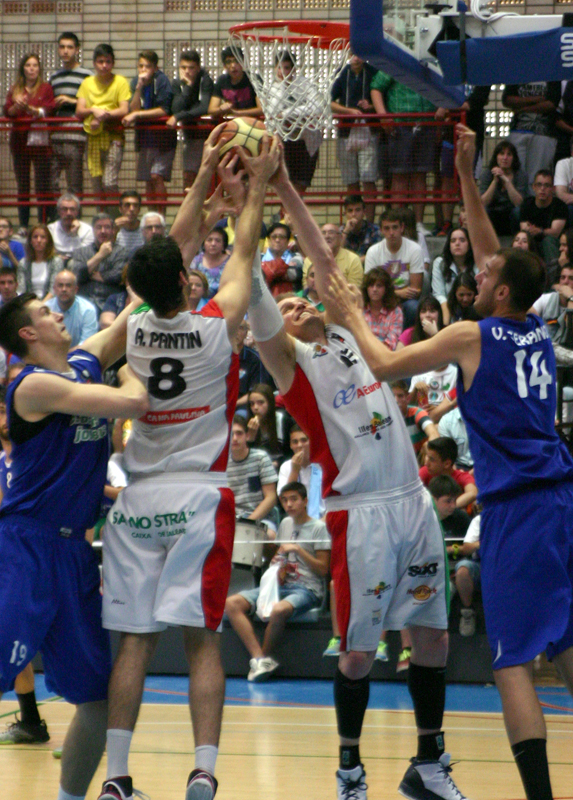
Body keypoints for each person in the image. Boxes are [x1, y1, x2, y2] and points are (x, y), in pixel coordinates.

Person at [325, 122, 573, 800]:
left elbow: (383, 363)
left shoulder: (471, 335)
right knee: (566, 645)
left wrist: (348, 308)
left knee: (512, 663)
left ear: (500, 293)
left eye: (485, 275)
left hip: (518, 507)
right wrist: (465, 173)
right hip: (560, 499)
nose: (477, 272)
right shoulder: (534, 326)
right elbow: (498, 254)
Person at [246, 148, 469, 800]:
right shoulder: (293, 371)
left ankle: (428, 764)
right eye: (285, 310)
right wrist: (250, 205)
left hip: (412, 501)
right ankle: (349, 771)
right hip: (362, 512)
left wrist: (284, 184)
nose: (293, 308)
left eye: (298, 301)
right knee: (357, 654)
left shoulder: (348, 331)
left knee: (431, 640)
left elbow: (321, 256)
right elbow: (257, 306)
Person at [98, 129, 279, 800]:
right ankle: (202, 769)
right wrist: (252, 188)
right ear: (183, 279)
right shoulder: (214, 324)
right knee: (202, 642)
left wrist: (200, 176)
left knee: (134, 645)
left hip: (138, 497)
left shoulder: (135, 326)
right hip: (199, 498)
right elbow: (244, 252)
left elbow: (167, 252)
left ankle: (117, 778)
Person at [0, 288, 148, 800]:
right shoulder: (32, 384)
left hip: (74, 554)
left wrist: (166, 263)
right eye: (46, 312)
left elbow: (129, 317)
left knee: (97, 699)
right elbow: (134, 402)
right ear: (28, 333)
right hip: (26, 546)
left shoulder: (82, 365)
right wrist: (129, 371)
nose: (58, 314)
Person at [225, 481, 330, 682]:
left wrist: (298, 550)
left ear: (305, 501)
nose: (288, 504)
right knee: (231, 604)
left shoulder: (319, 528)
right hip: (282, 585)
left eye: (294, 499)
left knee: (279, 610)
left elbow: (323, 569)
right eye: (284, 500)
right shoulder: (285, 524)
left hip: (308, 589)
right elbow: (281, 557)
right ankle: (260, 659)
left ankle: (262, 659)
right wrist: (277, 564)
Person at [0, 385, 51, 746]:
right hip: (11, 557)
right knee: (15, 644)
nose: (5, 418)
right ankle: (31, 720)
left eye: (8, 410)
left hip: (35, 556)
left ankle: (93, 724)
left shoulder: (37, 455)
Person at [370, 71, 436, 229]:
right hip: (400, 124)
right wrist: (383, 115)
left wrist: (441, 107)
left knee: (420, 175)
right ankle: (397, 223)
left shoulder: (431, 63)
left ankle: (418, 224)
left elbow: (441, 85)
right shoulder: (395, 62)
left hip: (426, 123)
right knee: (399, 175)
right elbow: (376, 88)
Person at [4, 52, 55, 234]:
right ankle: (24, 225)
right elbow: (7, 111)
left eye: (35, 65)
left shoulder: (45, 88)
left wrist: (34, 110)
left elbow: (50, 108)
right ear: (22, 69)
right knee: (23, 185)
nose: (31, 69)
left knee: (42, 184)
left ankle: (42, 223)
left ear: (39, 69)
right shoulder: (15, 88)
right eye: (28, 65)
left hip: (40, 142)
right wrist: (16, 107)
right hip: (19, 141)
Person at [76, 43, 130, 204]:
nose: (104, 65)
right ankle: (101, 217)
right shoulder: (87, 83)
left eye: (108, 62)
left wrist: (101, 116)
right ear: (94, 63)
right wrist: (93, 110)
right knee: (96, 184)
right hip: (92, 138)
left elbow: (124, 109)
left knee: (109, 182)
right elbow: (79, 110)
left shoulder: (120, 82)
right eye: (100, 61)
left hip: (114, 137)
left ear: (113, 63)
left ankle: (116, 215)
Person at [123, 50, 177, 212]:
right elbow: (133, 108)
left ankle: (161, 216)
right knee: (148, 179)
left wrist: (138, 115)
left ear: (155, 68)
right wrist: (138, 88)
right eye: (141, 66)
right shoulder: (135, 82)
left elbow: (164, 109)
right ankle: (151, 216)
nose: (143, 70)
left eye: (147, 66)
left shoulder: (161, 81)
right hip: (144, 139)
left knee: (156, 176)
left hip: (163, 139)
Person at [330, 55, 378, 221]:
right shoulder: (341, 73)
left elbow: (384, 101)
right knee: (351, 180)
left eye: (359, 54)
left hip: (370, 131)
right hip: (345, 132)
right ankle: (354, 221)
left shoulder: (373, 72)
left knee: (368, 178)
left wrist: (370, 106)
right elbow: (329, 102)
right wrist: (348, 111)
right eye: (353, 54)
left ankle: (369, 222)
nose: (356, 59)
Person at [49, 32, 92, 198]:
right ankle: (54, 214)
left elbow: (94, 103)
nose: (65, 51)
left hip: (76, 134)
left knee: (74, 183)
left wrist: (72, 101)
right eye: (62, 47)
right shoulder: (54, 76)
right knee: (52, 183)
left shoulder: (87, 75)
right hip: (55, 136)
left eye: (69, 47)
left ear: (77, 49)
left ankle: (75, 214)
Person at [365, 208, 424, 328]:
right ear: (381, 230)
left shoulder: (415, 249)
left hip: (406, 301)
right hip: (381, 300)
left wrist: (396, 295)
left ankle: (405, 337)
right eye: (387, 228)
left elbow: (416, 290)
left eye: (395, 227)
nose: (391, 232)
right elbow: (370, 288)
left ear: (402, 228)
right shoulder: (373, 252)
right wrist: (399, 293)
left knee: (414, 307)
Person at [167, 50, 214, 190]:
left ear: (198, 68)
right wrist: (187, 87)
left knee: (207, 176)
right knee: (189, 176)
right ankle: (189, 204)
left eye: (191, 68)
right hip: (190, 135)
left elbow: (205, 107)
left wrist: (179, 117)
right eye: (183, 67)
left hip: (207, 135)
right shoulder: (177, 83)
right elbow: (176, 108)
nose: (187, 71)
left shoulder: (205, 80)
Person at [502, 81, 561, 188]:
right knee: (516, 175)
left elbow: (552, 104)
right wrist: (536, 99)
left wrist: (523, 108)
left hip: (544, 133)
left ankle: (533, 198)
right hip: (518, 131)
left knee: (538, 177)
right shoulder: (516, 72)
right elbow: (507, 99)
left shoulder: (552, 74)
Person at [69, 213, 129, 315]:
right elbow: (77, 276)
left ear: (113, 230)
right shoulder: (81, 252)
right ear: (93, 230)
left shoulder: (121, 252)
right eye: (99, 227)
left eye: (107, 227)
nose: (103, 231)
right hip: (84, 303)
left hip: (111, 305)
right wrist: (100, 255)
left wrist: (92, 274)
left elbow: (118, 276)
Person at [228, 415, 279, 532]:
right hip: (232, 520)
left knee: (269, 535)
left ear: (247, 435)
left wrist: (246, 523)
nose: (235, 438)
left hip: (261, 518)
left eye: (239, 433)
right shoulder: (223, 464)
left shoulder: (261, 458)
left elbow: (271, 497)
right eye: (231, 434)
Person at [519, 169, 568, 265]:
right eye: (539, 185)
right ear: (533, 187)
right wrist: (531, 231)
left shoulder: (560, 206)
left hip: (553, 244)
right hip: (533, 241)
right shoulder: (527, 204)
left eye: (547, 185)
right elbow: (524, 229)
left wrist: (540, 231)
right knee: (524, 239)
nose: (542, 189)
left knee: (548, 240)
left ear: (553, 189)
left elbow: (555, 232)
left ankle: (553, 271)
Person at [479, 139, 527, 236]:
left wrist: (507, 181)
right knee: (484, 211)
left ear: (514, 158)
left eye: (509, 154)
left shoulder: (520, 175)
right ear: (496, 157)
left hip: (511, 214)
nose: (505, 158)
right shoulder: (487, 174)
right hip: (493, 212)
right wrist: (494, 181)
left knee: (518, 211)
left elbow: (519, 203)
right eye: (501, 154)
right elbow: (483, 202)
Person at [276, 425, 324, 519]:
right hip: (296, 519)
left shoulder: (323, 465)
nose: (299, 445)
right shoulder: (286, 467)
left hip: (323, 519)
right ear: (291, 445)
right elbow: (285, 499)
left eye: (304, 440)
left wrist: (319, 524)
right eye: (295, 442)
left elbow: (332, 504)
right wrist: (294, 470)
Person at [431, 228, 477, 325]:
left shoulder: (477, 263)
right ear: (449, 245)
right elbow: (439, 294)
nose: (457, 244)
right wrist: (446, 321)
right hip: (447, 308)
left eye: (462, 240)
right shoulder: (440, 263)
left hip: (473, 307)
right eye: (453, 241)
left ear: (469, 244)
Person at [418, 437, 477, 509]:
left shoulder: (461, 477)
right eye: (427, 457)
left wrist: (446, 507)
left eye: (432, 459)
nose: (426, 463)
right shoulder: (425, 471)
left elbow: (473, 493)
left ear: (447, 464)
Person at [46, 269, 99, 346]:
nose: (64, 289)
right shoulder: (46, 309)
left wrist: (67, 353)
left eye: (68, 285)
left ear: (76, 289)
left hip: (78, 353)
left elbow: (87, 344)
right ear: (54, 289)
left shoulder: (87, 310)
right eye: (60, 285)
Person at [208, 46, 262, 121]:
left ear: (242, 63)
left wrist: (237, 113)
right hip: (232, 124)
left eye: (236, 61)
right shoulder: (222, 81)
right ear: (224, 66)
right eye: (228, 62)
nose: (233, 65)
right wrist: (221, 108)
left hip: (252, 122)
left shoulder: (254, 79)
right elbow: (211, 110)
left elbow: (262, 109)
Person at [303, 223, 363, 290]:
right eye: (323, 233)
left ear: (340, 238)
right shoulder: (310, 259)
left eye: (331, 232)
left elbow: (355, 289)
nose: (327, 236)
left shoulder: (353, 259)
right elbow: (306, 287)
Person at [390, 379, 439, 457]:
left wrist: (429, 446)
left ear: (408, 399)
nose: (396, 400)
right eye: (392, 396)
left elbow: (433, 433)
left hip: (419, 460)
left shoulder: (417, 413)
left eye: (400, 396)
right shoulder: (385, 419)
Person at [246, 382, 290, 468]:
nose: (255, 407)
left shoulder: (283, 420)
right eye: (252, 404)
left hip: (283, 467)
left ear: (270, 403)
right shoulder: (247, 424)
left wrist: (277, 463)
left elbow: (291, 452)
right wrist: (250, 438)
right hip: (259, 469)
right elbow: (247, 459)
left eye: (260, 402)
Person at [17, 224, 64, 299]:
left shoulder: (56, 261)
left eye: (43, 237)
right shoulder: (23, 263)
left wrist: (42, 304)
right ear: (30, 241)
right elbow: (21, 289)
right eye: (35, 237)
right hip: (29, 302)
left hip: (50, 302)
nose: (39, 240)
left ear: (48, 241)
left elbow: (54, 290)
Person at [361, 266, 403, 350]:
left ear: (386, 289)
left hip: (384, 353)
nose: (374, 289)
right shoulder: (359, 309)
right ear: (366, 288)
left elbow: (392, 343)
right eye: (371, 285)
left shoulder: (396, 312)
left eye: (379, 286)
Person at [48, 193, 95, 260]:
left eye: (72, 209)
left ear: (77, 212)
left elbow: (83, 256)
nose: (68, 213)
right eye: (64, 209)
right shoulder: (50, 229)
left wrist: (74, 235)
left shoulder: (88, 230)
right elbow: (47, 253)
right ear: (58, 211)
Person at [262, 222, 303, 296]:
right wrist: (285, 266)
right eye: (274, 237)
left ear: (288, 241)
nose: (277, 240)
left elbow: (293, 274)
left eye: (281, 237)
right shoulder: (260, 258)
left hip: (290, 299)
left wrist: (266, 269)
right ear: (268, 240)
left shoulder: (297, 257)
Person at [340, 195, 382, 264]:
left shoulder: (374, 230)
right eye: (350, 211)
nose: (354, 214)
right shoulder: (341, 230)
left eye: (357, 210)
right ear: (345, 214)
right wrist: (346, 232)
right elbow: (336, 253)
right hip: (346, 269)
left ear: (364, 212)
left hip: (368, 267)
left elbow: (378, 254)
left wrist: (355, 263)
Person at [190, 227, 231, 297]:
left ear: (224, 244)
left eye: (218, 241)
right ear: (203, 243)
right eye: (209, 240)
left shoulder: (230, 262)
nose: (213, 244)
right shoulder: (195, 261)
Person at [114, 191, 145, 255]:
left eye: (135, 206)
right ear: (120, 209)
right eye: (127, 205)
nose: (131, 209)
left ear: (139, 209)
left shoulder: (146, 229)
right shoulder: (114, 228)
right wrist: (113, 232)